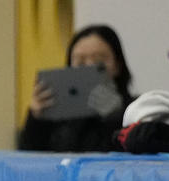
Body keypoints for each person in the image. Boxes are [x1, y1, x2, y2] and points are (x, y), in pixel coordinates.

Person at [18, 24, 134, 153]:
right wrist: (36, 119)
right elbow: (29, 158)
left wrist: (117, 118)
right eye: (80, 62)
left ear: (117, 65)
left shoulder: (137, 110)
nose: (89, 67)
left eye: (99, 60)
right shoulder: (57, 115)